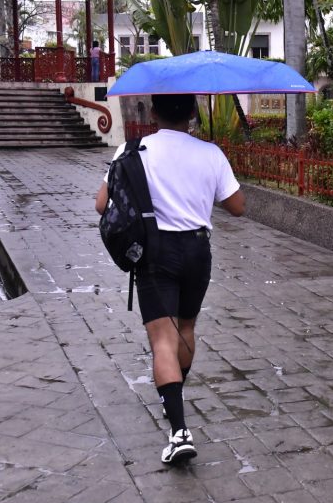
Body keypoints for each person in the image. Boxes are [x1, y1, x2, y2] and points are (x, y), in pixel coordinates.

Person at [94, 94, 246, 464]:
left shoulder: (132, 151)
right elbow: (238, 207)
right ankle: (174, 394)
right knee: (187, 328)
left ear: (154, 112)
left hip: (155, 252)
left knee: (163, 339)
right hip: (198, 250)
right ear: (193, 114)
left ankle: (179, 432)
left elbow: (101, 204)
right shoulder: (210, 153)